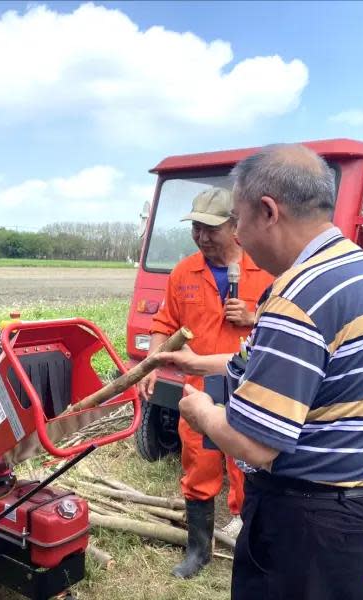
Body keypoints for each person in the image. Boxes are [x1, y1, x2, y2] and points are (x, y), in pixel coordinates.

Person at [157, 144, 363, 599]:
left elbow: (256, 445)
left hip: (325, 536)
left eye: (239, 220)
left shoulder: (297, 295)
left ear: (268, 211)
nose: (239, 236)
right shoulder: (361, 270)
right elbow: (299, 369)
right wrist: (195, 362)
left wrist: (203, 412)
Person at [137, 187, 272, 579]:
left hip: (251, 385)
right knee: (199, 466)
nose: (202, 236)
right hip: (199, 391)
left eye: (212, 228)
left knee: (250, 467)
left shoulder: (264, 269)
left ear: (236, 225)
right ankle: (199, 550)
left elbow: (286, 324)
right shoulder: (184, 272)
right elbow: (163, 325)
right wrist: (150, 366)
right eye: (197, 227)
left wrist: (252, 317)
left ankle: (252, 541)